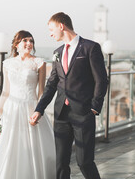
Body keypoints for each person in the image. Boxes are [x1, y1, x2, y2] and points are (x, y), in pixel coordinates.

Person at [30, 12, 108, 179]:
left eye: (51, 29)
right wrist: (39, 109)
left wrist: (94, 108)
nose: (50, 33)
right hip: (61, 114)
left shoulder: (90, 47)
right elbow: (51, 84)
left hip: (83, 113)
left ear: (61, 26)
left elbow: (101, 80)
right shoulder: (57, 52)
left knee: (84, 161)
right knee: (60, 163)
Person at [0, 30, 56, 179]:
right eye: (25, 41)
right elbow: (5, 92)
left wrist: (39, 112)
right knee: (9, 147)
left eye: (31, 41)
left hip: (30, 107)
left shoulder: (39, 63)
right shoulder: (7, 63)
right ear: (17, 44)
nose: (29, 44)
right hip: (11, 108)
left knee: (31, 148)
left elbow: (41, 92)